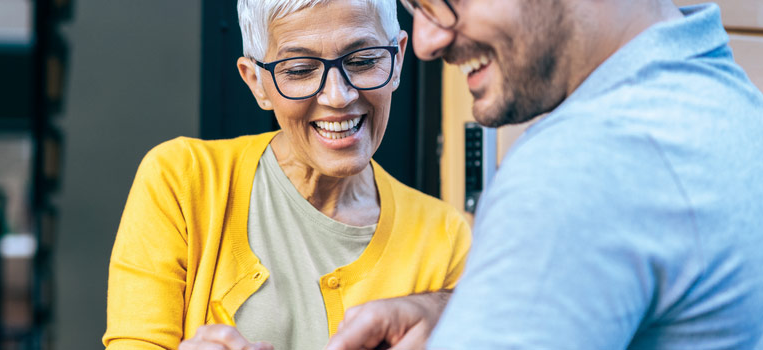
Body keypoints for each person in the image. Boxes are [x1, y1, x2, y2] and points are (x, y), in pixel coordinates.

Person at [325, 0, 763, 349]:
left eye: (443, 0)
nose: (425, 42)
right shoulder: (726, 104)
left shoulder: (579, 166)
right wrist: (472, 314)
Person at [102, 1, 472, 349]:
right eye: (299, 70)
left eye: (362, 61)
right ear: (256, 83)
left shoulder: (446, 237)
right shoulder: (182, 180)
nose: (338, 96)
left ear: (398, 59)